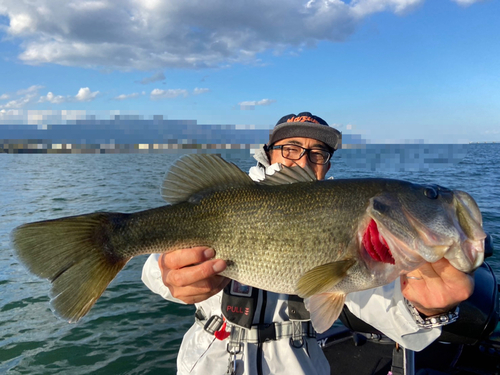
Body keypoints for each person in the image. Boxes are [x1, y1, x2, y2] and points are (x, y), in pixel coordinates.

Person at [142, 112, 475, 375]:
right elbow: (153, 268)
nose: (302, 160)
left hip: (299, 365)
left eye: (318, 152)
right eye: (290, 148)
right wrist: (169, 275)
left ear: (327, 163)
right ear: (268, 154)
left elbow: (377, 303)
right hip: (207, 363)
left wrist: (428, 309)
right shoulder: (226, 198)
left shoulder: (353, 218)